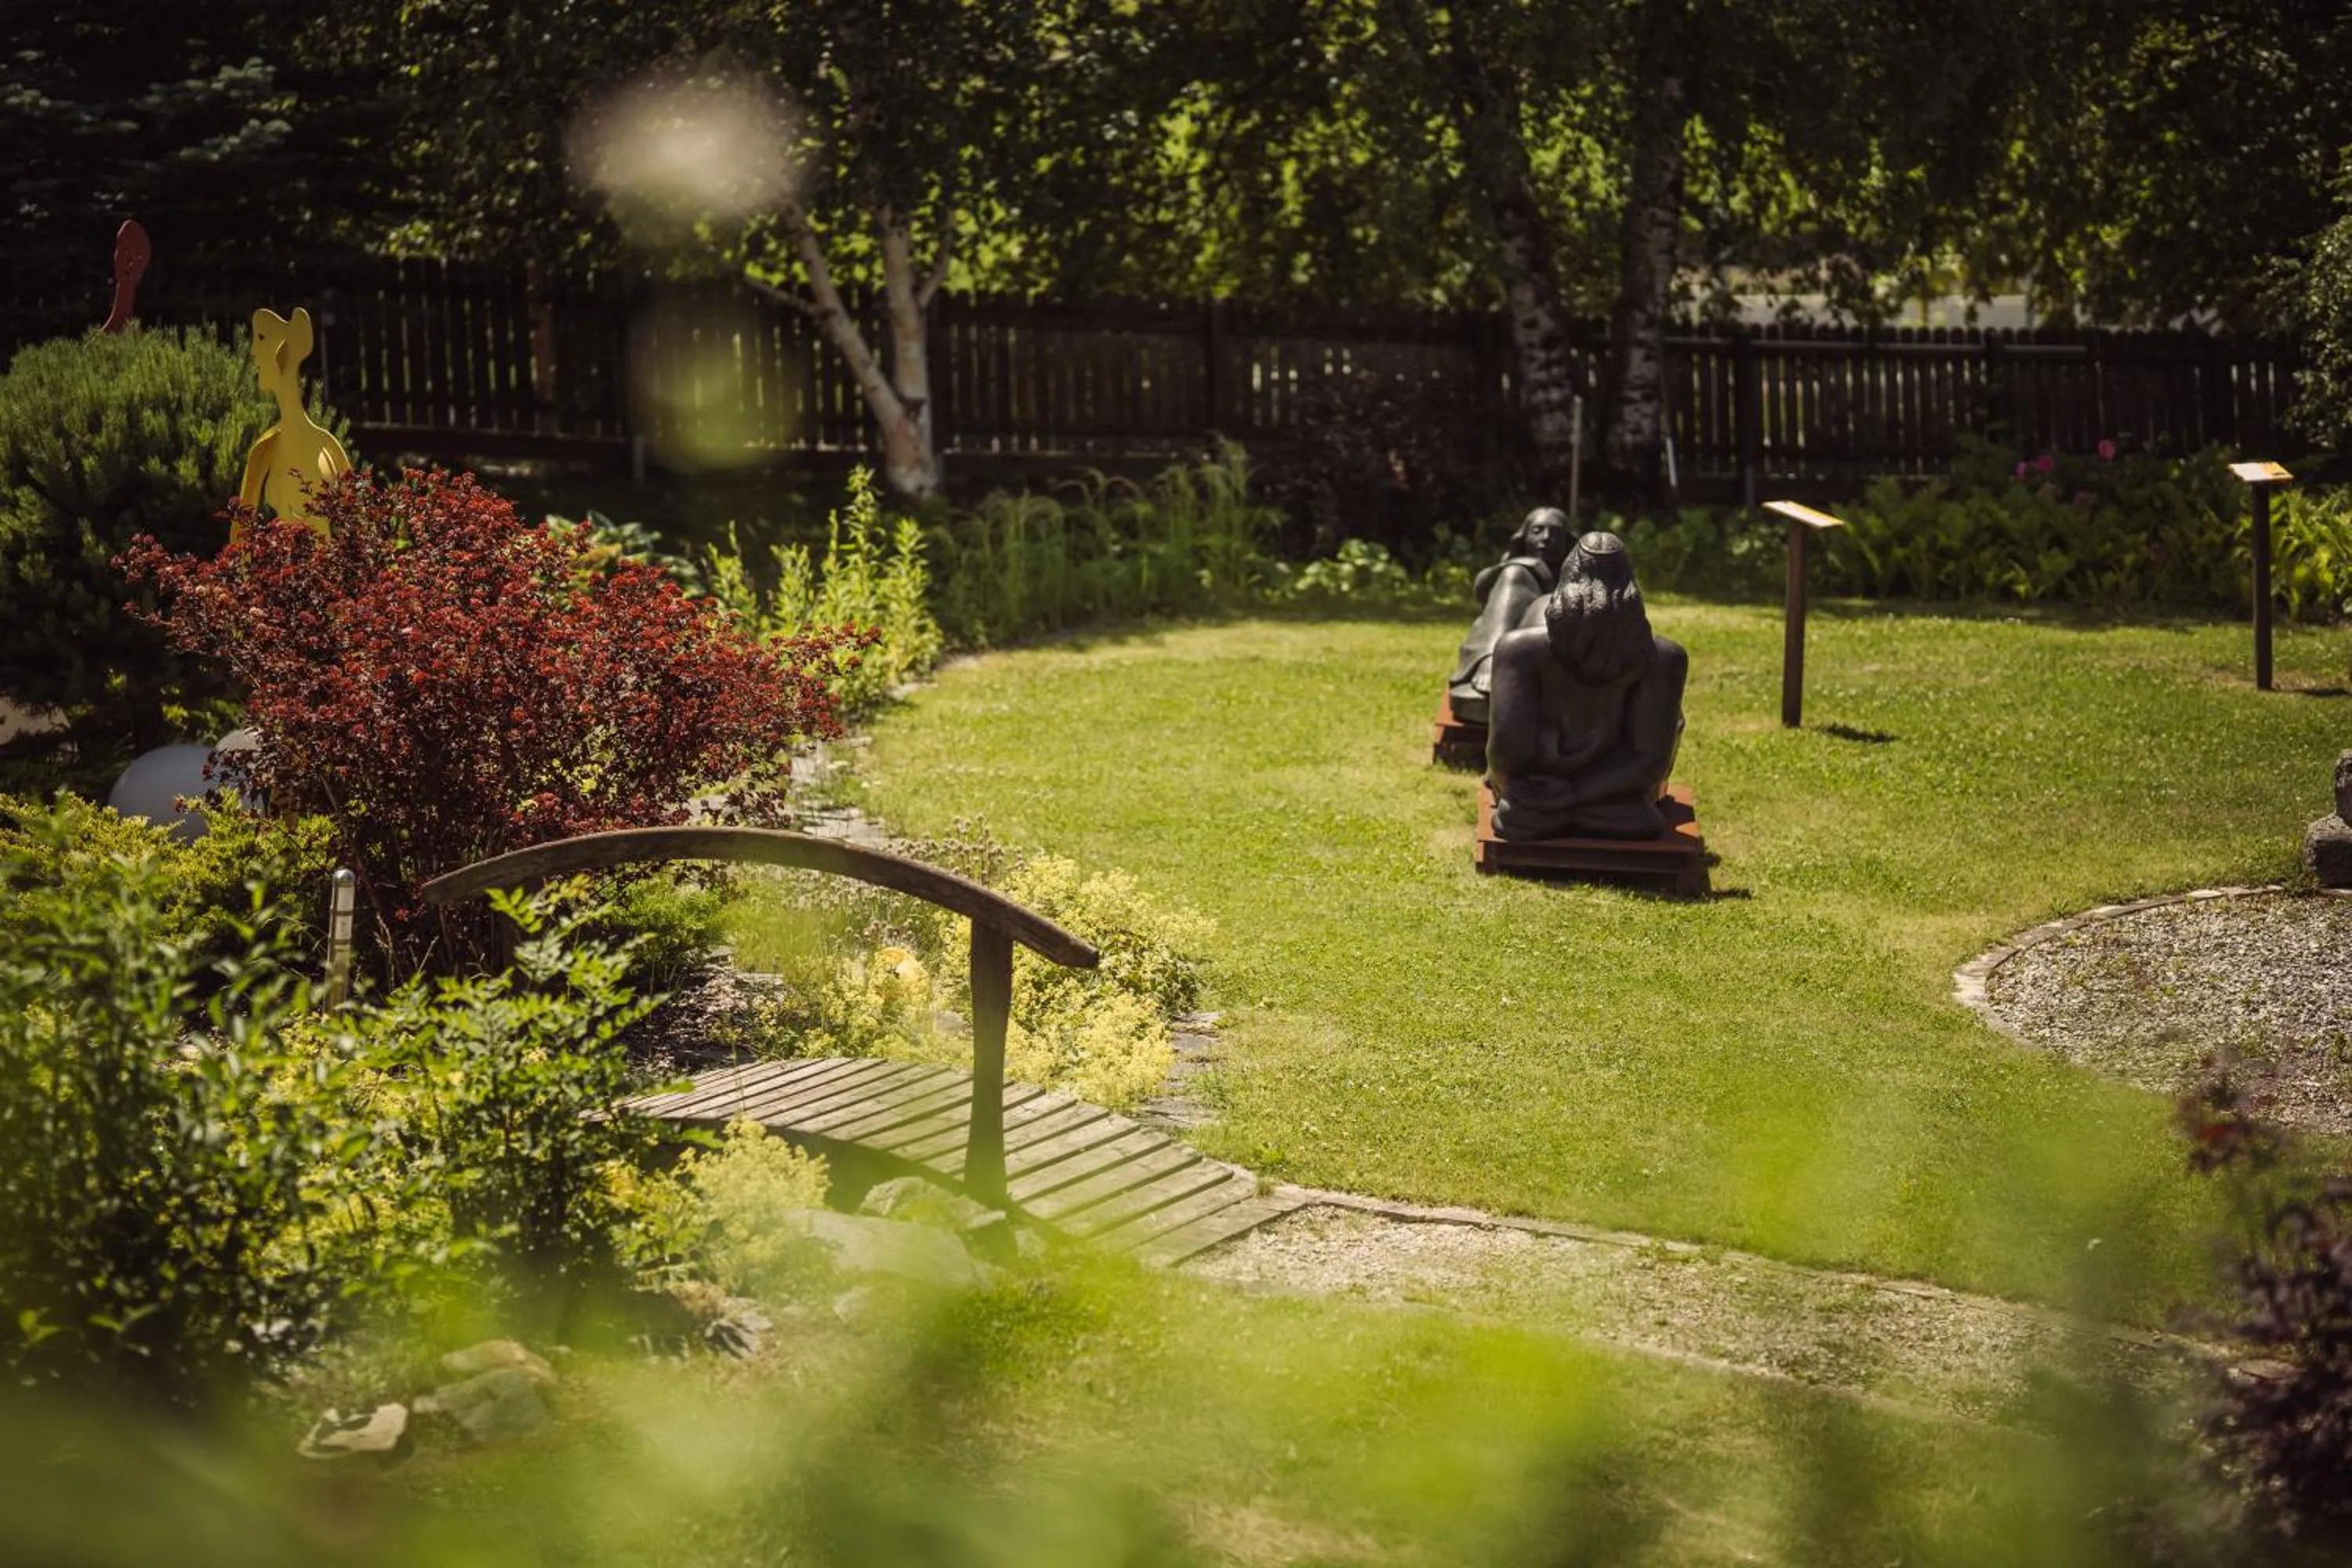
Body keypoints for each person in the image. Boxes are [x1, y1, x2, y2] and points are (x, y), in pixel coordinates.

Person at [1486, 531, 1686, 840]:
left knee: (1520, 811)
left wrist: (1561, 793)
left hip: (1539, 798)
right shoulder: (1665, 657)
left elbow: (1508, 753)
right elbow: (1650, 759)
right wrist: (1581, 793)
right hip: (1615, 802)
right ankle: (1590, 812)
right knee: (1638, 815)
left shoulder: (1518, 649)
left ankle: (1555, 812)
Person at [1444, 507, 1571, 724]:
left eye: (1555, 533)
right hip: (1515, 634)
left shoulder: (1582, 571)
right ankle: (1491, 659)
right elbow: (1481, 590)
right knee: (1514, 576)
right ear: (1523, 537)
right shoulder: (1515, 571)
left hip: (1556, 649)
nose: (1546, 538)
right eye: (1538, 531)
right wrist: (1516, 564)